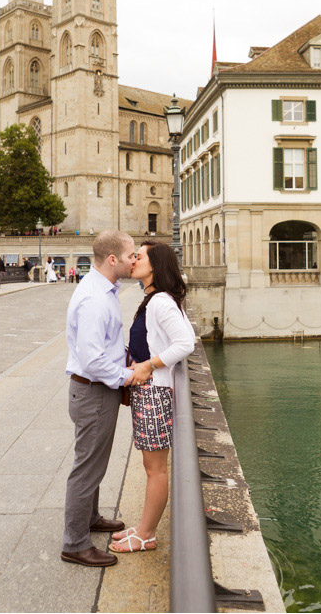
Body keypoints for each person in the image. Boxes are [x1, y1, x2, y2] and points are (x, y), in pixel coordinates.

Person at [61, 230, 143, 568]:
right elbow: (93, 358)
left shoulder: (101, 288)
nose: (134, 260)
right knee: (87, 467)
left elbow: (104, 347)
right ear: (112, 260)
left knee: (93, 463)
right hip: (94, 392)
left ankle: (90, 517)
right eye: (130, 256)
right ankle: (75, 543)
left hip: (93, 391)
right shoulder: (96, 298)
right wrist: (128, 376)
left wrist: (123, 360)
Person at [109, 241, 195, 553]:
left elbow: (186, 342)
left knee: (155, 469)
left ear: (155, 266)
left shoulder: (159, 301)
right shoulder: (153, 299)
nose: (132, 261)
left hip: (155, 392)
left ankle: (146, 534)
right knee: (151, 467)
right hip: (150, 391)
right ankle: (144, 528)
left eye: (139, 257)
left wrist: (148, 365)